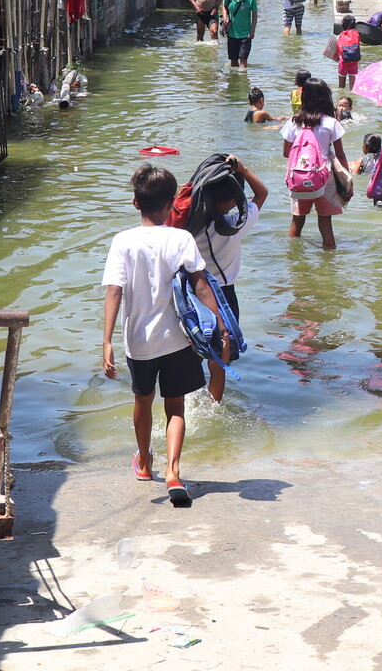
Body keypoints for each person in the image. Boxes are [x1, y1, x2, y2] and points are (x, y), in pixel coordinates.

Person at [101, 165, 234, 508]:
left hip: (139, 341)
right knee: (175, 406)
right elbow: (202, 286)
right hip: (179, 339)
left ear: (135, 202)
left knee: (142, 401)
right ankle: (174, 473)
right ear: (173, 202)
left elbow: (114, 291)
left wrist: (107, 341)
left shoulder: (122, 241)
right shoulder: (181, 238)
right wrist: (221, 328)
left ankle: (144, 462)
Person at [184, 157, 269, 402]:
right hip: (224, 297)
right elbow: (262, 193)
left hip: (192, 294)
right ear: (234, 201)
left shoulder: (188, 229)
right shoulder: (235, 225)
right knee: (219, 359)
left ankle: (188, 401)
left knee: (192, 351)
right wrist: (242, 168)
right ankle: (214, 403)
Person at [281, 79, 352, 250]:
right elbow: (340, 154)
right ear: (324, 98)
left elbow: (286, 153)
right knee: (325, 222)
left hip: (299, 175)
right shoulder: (330, 122)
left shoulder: (294, 122)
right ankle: (328, 270)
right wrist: (347, 178)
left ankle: (293, 264)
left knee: (297, 221)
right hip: (324, 176)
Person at [219, 0, 259, 70]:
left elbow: (254, 15)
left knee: (243, 62)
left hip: (245, 35)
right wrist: (225, 18)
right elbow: (224, 7)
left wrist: (252, 32)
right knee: (233, 61)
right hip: (232, 33)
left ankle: (243, 81)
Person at [334, 16, 363, 92]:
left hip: (343, 61)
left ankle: (341, 98)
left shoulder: (341, 35)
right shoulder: (356, 34)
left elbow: (338, 48)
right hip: (354, 62)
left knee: (341, 87)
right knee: (353, 88)